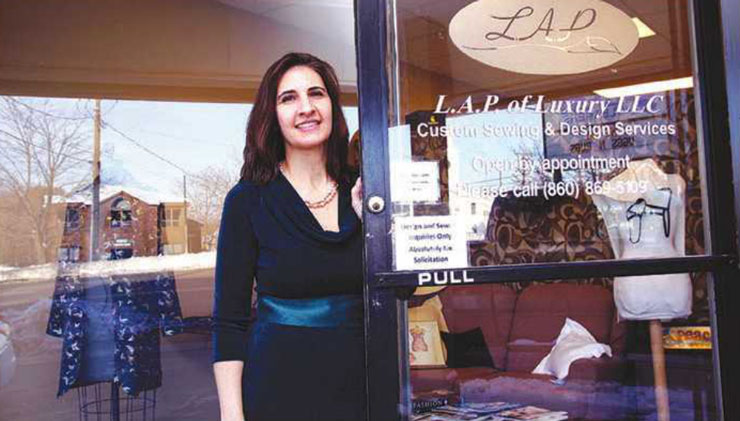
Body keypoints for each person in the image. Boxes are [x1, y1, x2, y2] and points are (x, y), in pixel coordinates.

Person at [212, 52, 365, 421]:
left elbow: (402, 291)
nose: (306, 108)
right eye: (289, 98)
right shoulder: (248, 199)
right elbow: (229, 322)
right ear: (272, 115)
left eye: (317, 93)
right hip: (279, 392)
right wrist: (232, 418)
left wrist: (372, 228)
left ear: (332, 105)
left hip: (367, 389)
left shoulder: (364, 192)